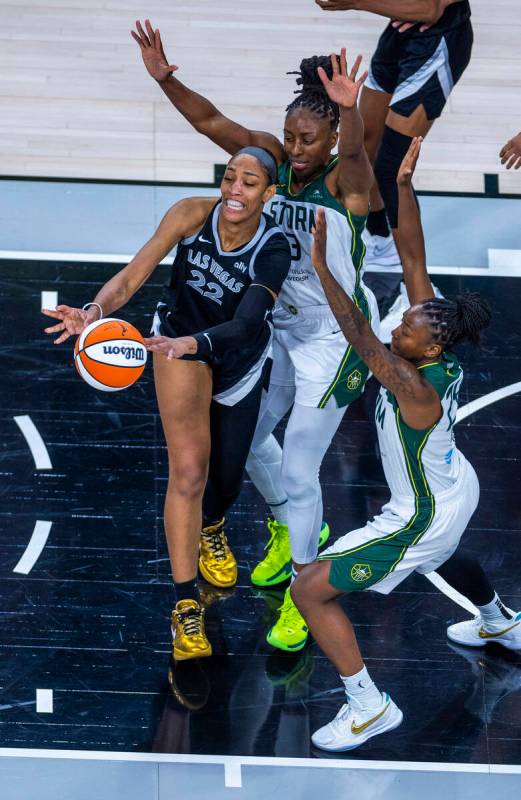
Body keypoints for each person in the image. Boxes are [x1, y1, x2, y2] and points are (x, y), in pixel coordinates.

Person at [132, 21, 380, 652]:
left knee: (299, 469)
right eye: (290, 135)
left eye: (309, 139)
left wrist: (351, 116)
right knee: (245, 448)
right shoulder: (271, 161)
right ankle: (284, 529)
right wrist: (167, 80)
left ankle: (304, 587)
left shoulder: (347, 182)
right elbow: (213, 125)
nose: (295, 149)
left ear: (330, 140)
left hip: (334, 340)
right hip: (275, 328)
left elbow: (355, 155)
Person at [291, 137, 521, 752]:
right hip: (451, 485)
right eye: (405, 320)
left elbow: (360, 334)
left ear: (430, 349)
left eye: (408, 326)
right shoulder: (427, 336)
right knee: (441, 554)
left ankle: (369, 706)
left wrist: (322, 269)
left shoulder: (415, 385)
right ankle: (500, 621)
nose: (400, 323)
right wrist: (405, 186)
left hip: (421, 513)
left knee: (310, 588)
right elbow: (414, 254)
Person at [43, 147, 291, 662]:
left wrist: (197, 344)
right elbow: (134, 276)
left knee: (225, 480)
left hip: (236, 356)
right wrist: (93, 311)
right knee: (188, 476)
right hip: (175, 346)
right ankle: (184, 608)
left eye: (249, 183)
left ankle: (212, 528)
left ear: (269, 194)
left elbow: (247, 323)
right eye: (229, 178)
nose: (235, 191)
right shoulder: (189, 214)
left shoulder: (274, 247)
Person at [316, 0, 473, 267]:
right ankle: (381, 238)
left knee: (392, 168)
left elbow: (430, 10)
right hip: (399, 30)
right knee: (365, 146)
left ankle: (415, 279)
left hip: (438, 41)